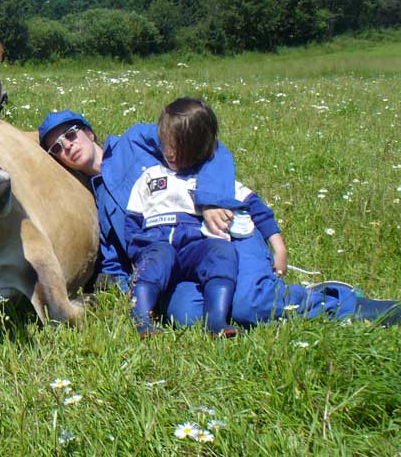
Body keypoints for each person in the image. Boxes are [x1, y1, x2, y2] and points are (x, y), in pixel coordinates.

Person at [39, 108, 401, 329]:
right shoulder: (96, 200)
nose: (67, 146)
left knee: (246, 304)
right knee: (188, 317)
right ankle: (280, 299)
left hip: (220, 232)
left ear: (88, 132)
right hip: (177, 266)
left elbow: (210, 147)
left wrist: (212, 200)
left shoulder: (135, 140)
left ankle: (351, 305)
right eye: (57, 148)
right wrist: (131, 290)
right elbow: (114, 261)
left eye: (70, 134)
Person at [123, 98, 238, 338]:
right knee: (157, 258)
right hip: (157, 240)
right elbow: (133, 217)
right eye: (165, 144)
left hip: (194, 245)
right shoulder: (150, 176)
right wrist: (136, 251)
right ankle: (141, 318)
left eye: (178, 147)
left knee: (221, 251)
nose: (170, 153)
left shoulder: (205, 178)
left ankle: (216, 319)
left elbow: (249, 201)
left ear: (198, 147)